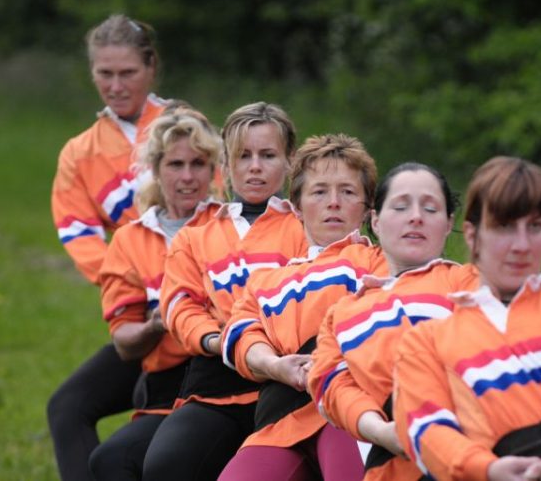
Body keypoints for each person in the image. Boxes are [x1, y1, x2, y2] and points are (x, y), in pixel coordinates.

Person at [391, 156, 541, 481]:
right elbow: (427, 430)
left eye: (535, 226)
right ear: (473, 236)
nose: (522, 245)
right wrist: (488, 469)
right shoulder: (426, 341)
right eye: (505, 226)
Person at [142, 102, 307, 481]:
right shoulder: (196, 236)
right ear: (226, 164)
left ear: (290, 161)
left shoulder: (305, 229)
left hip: (285, 387)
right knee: (166, 464)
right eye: (242, 155)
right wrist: (220, 341)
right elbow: (179, 306)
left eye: (267, 155)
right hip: (215, 383)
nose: (254, 166)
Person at [218, 134, 384, 481]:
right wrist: (276, 366)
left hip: (349, 409)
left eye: (348, 192)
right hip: (282, 419)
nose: (334, 203)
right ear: (296, 207)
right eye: (320, 191)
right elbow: (241, 336)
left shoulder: (379, 264)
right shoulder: (266, 281)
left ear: (368, 209)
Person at [47, 14, 169, 481]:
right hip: (138, 312)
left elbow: (219, 216)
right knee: (68, 407)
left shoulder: (185, 129)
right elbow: (79, 234)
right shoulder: (80, 153)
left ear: (151, 67)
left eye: (128, 73)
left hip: (200, 309)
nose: (116, 86)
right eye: (105, 73)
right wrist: (129, 287)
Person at [307, 162, 480, 481]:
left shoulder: (469, 284)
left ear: (448, 224)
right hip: (391, 458)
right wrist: (384, 432)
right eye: (401, 206)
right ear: (375, 220)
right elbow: (332, 388)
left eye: (430, 208)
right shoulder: (343, 313)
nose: (416, 216)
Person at [86, 107, 223, 480]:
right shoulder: (131, 240)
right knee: (110, 460)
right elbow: (123, 342)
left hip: (223, 379)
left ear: (213, 169)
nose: (188, 177)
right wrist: (155, 326)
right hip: (164, 393)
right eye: (176, 164)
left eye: (198, 163)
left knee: (173, 462)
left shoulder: (230, 223)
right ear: (156, 169)